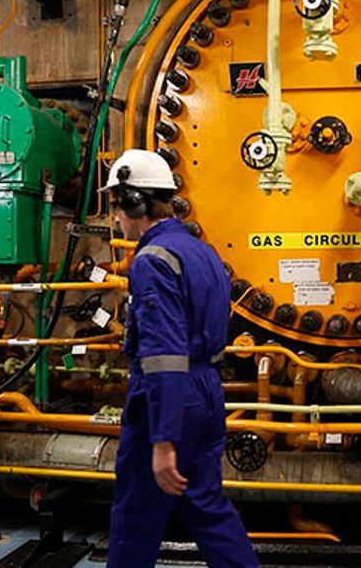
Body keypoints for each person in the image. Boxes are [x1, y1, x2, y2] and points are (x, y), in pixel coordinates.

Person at [103, 149, 257, 567]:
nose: (116, 220)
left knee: (136, 514)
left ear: (134, 202)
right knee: (207, 507)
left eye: (117, 207)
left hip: (168, 398)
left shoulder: (152, 261)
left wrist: (163, 440)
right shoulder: (202, 251)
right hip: (207, 390)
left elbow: (163, 355)